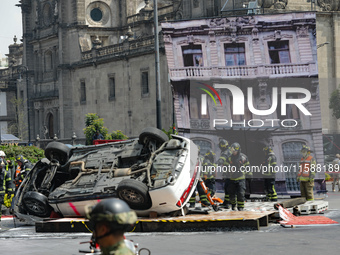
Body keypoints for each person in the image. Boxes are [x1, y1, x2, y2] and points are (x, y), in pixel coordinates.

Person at [226, 143, 251, 211]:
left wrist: (249, 175)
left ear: (238, 150)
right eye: (232, 151)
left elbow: (248, 166)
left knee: (240, 193)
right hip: (232, 179)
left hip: (241, 178)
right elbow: (225, 167)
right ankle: (233, 205)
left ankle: (241, 207)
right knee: (231, 194)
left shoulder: (243, 157)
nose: (233, 153)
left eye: (235, 151)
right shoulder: (229, 158)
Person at [217, 139, 232, 208]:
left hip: (230, 174)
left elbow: (221, 160)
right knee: (227, 188)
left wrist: (214, 165)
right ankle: (226, 202)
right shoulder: (229, 151)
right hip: (228, 173)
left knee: (229, 188)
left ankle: (228, 203)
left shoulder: (226, 152)